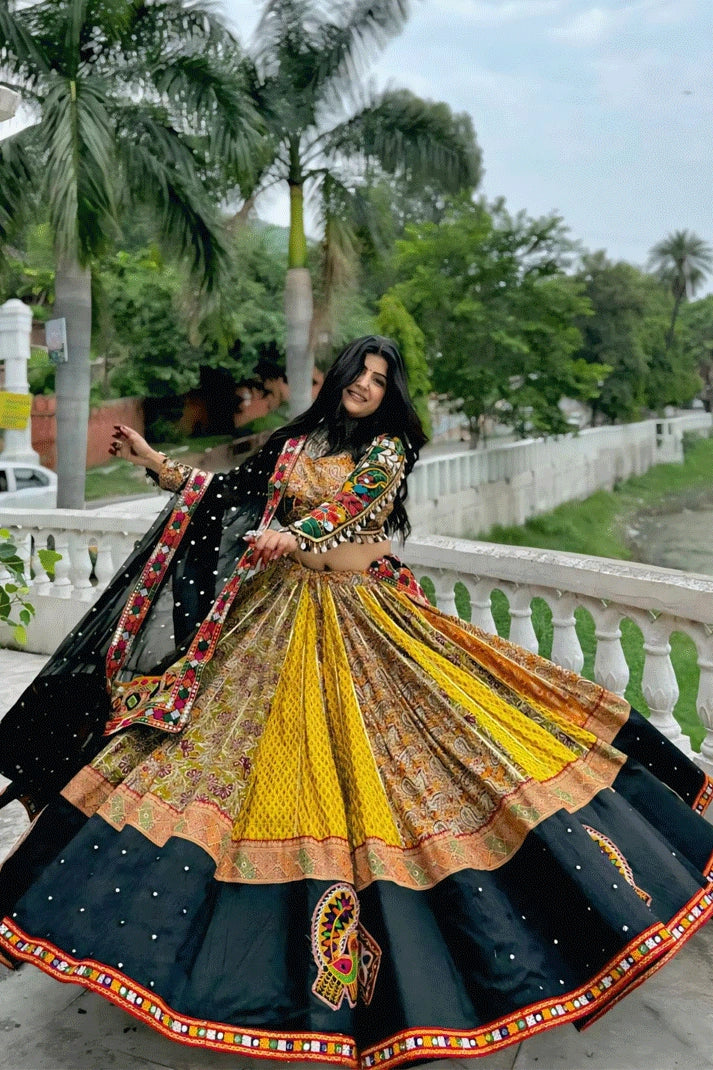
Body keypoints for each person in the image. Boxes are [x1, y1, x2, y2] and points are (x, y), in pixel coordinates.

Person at [0, 335, 711, 1068]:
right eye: (358, 374)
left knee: (430, 752)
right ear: (338, 378)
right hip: (273, 615)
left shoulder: (387, 449)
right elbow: (230, 497)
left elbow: (351, 508)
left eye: (379, 379)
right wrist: (153, 462)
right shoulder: (296, 440)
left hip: (357, 613)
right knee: (216, 763)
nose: (366, 387)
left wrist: (292, 534)